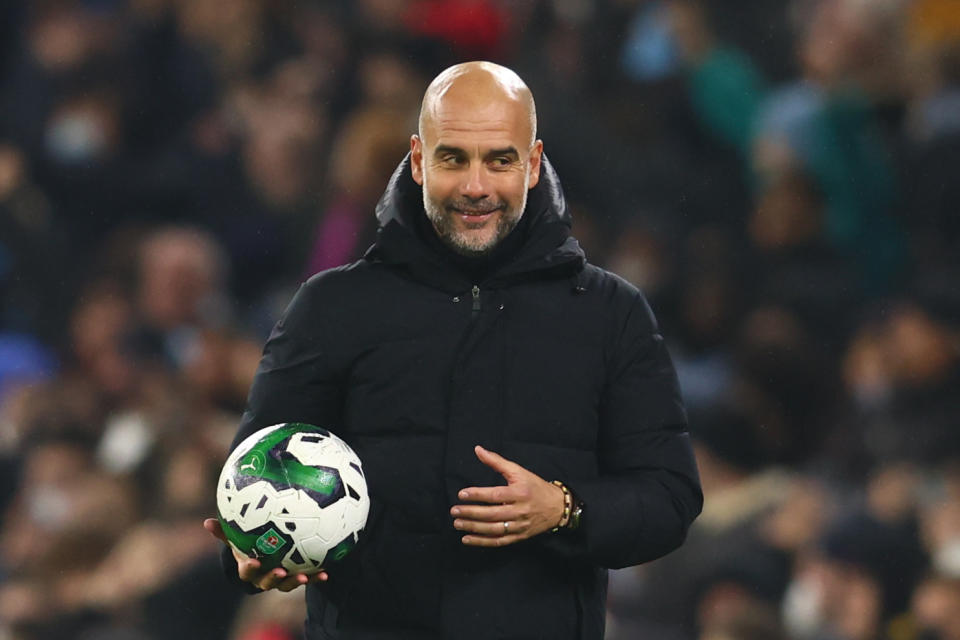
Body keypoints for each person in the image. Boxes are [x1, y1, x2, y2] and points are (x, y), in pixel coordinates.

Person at [204, 60, 702, 640]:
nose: (475, 186)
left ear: (534, 163)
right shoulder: (330, 308)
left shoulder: (611, 315)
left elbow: (669, 498)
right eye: (453, 158)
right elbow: (254, 473)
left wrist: (563, 508)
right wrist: (249, 558)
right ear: (418, 160)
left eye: (500, 159)